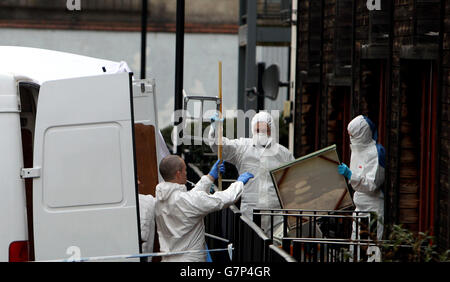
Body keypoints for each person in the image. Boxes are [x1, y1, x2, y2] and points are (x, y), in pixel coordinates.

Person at [155, 155, 254, 262]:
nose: (186, 173)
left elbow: (193, 199)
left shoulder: (161, 199)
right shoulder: (186, 201)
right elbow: (222, 199)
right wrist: (239, 183)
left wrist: (209, 177)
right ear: (178, 174)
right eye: (185, 170)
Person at [209, 111, 294, 233]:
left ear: (272, 131)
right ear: (253, 131)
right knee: (252, 248)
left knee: (276, 249)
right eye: (258, 130)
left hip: (276, 215)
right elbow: (220, 146)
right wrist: (215, 130)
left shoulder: (283, 154)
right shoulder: (243, 148)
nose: (261, 134)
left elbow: (294, 181)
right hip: (250, 212)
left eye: (265, 130)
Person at [337, 115, 385, 261]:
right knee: (355, 244)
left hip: (373, 206)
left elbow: (373, 184)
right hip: (359, 204)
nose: (351, 138)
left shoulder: (376, 152)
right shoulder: (357, 150)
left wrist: (350, 175)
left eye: (354, 135)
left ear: (362, 133)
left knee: (373, 246)